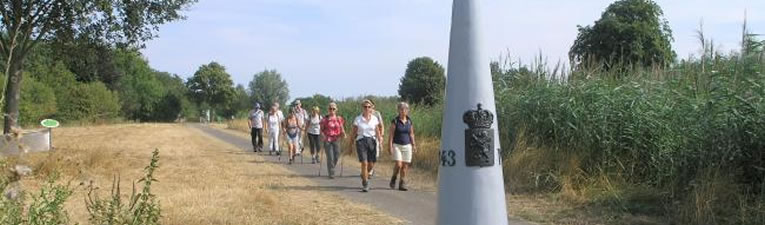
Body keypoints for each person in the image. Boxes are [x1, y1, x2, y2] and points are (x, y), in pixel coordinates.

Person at [349, 99, 383, 192]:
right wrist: (350, 145)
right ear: (362, 108)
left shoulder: (374, 119)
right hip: (361, 140)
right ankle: (365, 182)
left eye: (369, 107)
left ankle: (365, 174)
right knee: (364, 162)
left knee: (371, 163)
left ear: (372, 108)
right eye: (365, 107)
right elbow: (353, 133)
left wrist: (380, 141)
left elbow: (377, 131)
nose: (367, 108)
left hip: (372, 140)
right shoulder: (358, 119)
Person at [388, 102, 416, 191]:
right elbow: (391, 135)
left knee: (405, 166)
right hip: (397, 145)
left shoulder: (409, 121)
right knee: (399, 164)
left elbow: (411, 134)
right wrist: (390, 146)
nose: (403, 111)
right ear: (398, 110)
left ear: (408, 111)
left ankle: (402, 183)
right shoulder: (395, 121)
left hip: (407, 145)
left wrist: (414, 145)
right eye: (401, 109)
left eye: (405, 109)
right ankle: (394, 177)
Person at [320, 102, 345, 179]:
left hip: (336, 138)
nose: (332, 110)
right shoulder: (325, 119)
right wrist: (323, 136)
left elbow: (341, 127)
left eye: (333, 109)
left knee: (337, 155)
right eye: (330, 108)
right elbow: (321, 130)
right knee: (330, 156)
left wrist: (344, 133)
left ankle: (332, 167)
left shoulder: (339, 118)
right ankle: (331, 172)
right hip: (327, 139)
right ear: (328, 109)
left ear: (336, 109)